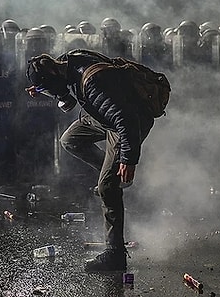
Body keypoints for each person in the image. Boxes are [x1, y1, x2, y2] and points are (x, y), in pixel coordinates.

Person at [25, 49, 160, 272]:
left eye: (49, 85)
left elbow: (123, 119)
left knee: (107, 187)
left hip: (127, 123)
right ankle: (111, 175)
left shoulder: (92, 81)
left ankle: (115, 254)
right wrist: (46, 90)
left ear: (53, 75)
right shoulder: (68, 62)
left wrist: (129, 159)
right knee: (70, 140)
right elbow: (65, 92)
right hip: (104, 116)